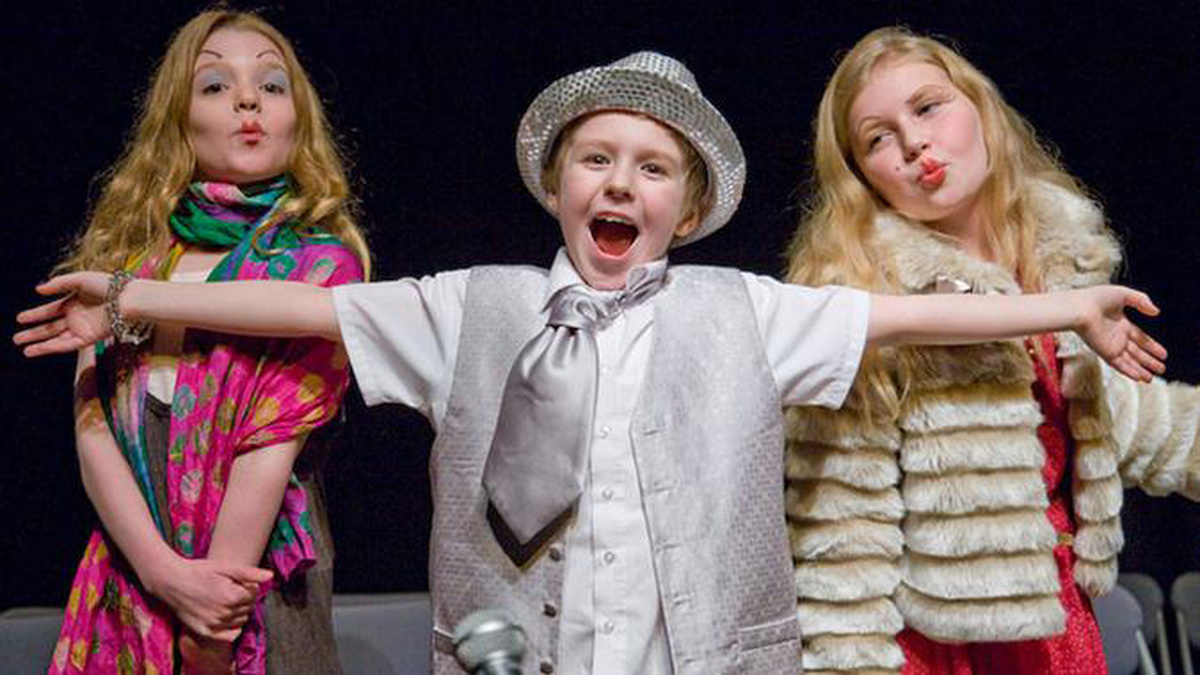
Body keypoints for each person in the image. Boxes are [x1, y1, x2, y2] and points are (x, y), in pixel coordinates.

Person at [17, 51, 1163, 675]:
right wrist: (130, 295)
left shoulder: (744, 310)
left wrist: (1075, 305)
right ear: (557, 185)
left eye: (652, 168)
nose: (621, 183)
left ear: (687, 208)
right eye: (597, 159)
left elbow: (899, 319)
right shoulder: (473, 306)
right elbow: (312, 309)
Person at [782, 26, 1199, 674]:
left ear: (980, 107)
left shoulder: (1058, 266)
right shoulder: (868, 304)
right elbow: (841, 536)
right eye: (878, 138)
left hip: (1057, 628)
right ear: (863, 177)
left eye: (927, 107)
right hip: (938, 649)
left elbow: (1130, 424)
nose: (914, 143)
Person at [31, 10, 367, 674]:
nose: (248, 100)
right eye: (215, 85)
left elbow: (269, 445)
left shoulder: (319, 263)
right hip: (133, 581)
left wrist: (210, 627)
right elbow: (93, 430)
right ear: (178, 119)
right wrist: (162, 572)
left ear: (298, 117)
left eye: (271, 85)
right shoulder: (130, 257)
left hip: (253, 593)